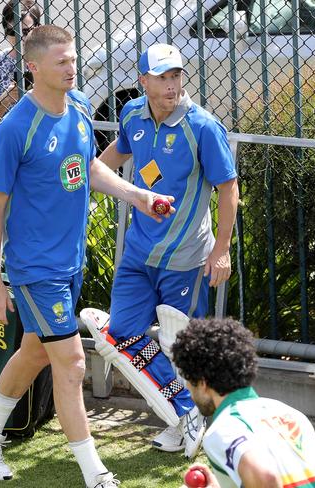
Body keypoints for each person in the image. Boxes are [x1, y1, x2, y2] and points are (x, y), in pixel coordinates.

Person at [0, 25, 174, 487]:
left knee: (35, 350)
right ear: (33, 67)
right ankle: (95, 473)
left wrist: (136, 195)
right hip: (35, 269)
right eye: (61, 62)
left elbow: (89, 165)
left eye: (73, 58)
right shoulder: (15, 128)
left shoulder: (76, 108)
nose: (72, 67)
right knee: (73, 362)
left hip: (68, 263)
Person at [92, 43, 239, 457]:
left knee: (184, 348)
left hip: (186, 259)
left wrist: (221, 250)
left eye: (176, 75)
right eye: (162, 77)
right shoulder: (132, 114)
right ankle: (183, 411)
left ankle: (191, 419)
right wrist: (86, 180)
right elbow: (114, 156)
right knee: (122, 333)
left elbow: (228, 188)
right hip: (139, 255)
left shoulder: (203, 127)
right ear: (143, 81)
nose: (172, 84)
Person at [172, 317, 315, 488]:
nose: (190, 393)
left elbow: (265, 477)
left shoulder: (223, 430)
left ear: (202, 383)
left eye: (189, 382)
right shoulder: (291, 414)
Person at [0, 0, 41, 120]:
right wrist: (7, 98)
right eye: (13, 31)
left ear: (37, 28)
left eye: (25, 31)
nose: (19, 38)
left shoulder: (48, 60)